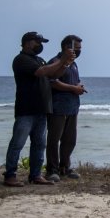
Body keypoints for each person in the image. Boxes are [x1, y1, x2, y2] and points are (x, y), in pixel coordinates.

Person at [4, 32, 75, 187]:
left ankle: (35, 175)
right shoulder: (21, 60)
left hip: (41, 109)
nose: (40, 45)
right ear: (28, 43)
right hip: (27, 109)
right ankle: (10, 175)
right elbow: (40, 72)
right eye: (38, 42)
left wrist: (65, 64)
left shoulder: (39, 60)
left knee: (39, 144)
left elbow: (53, 74)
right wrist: (62, 59)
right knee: (18, 143)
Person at [45, 35, 87, 182]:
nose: (79, 51)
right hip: (58, 107)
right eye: (77, 48)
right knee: (54, 139)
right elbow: (53, 82)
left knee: (70, 140)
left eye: (80, 49)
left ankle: (65, 167)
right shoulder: (55, 62)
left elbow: (74, 81)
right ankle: (52, 170)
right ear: (66, 48)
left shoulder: (74, 64)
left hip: (72, 107)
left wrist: (79, 86)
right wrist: (72, 88)